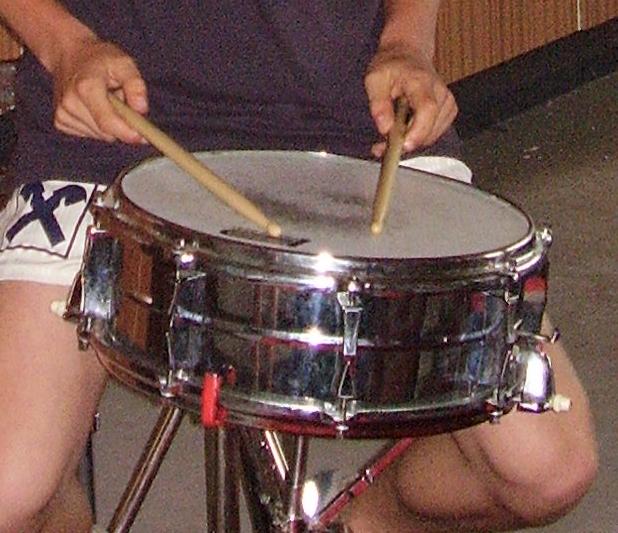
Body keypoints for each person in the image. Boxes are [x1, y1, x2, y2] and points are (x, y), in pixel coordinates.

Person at [0, 1, 597, 532]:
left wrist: (407, 45)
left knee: (547, 469)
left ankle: (357, 523)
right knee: (11, 495)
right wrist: (65, 46)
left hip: (353, 125)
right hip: (113, 129)